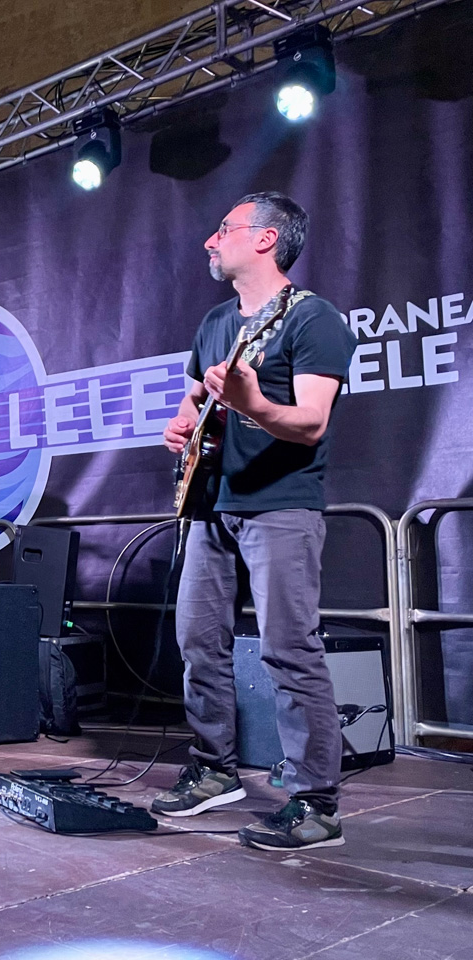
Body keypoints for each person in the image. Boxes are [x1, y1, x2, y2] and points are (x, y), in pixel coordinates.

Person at [156, 192, 356, 851]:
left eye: (224, 229)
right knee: (197, 641)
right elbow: (193, 398)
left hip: (280, 504)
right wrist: (183, 425)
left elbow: (311, 422)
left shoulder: (312, 318)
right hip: (210, 502)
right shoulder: (217, 321)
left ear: (266, 239)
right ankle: (214, 770)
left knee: (289, 649)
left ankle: (316, 803)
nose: (211, 241)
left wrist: (252, 403)